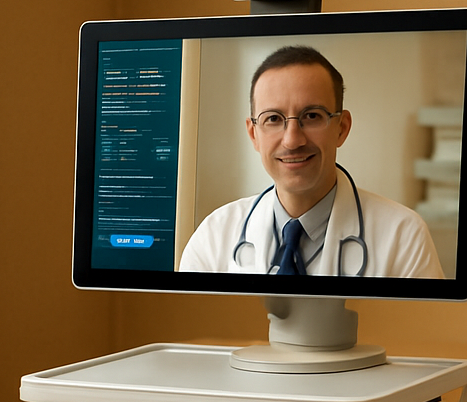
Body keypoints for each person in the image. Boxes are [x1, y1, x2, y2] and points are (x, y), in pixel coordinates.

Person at [178, 46, 444, 278]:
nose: (292, 140)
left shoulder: (404, 236)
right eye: (273, 119)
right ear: (253, 134)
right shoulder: (214, 237)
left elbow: (421, 335)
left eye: (312, 116)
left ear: (341, 127)